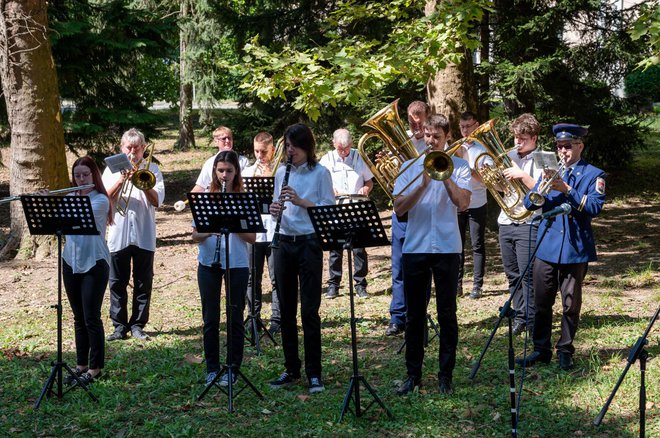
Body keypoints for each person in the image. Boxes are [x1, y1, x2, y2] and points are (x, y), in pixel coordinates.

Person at [393, 115, 471, 395]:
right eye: (427, 135)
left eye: (436, 137)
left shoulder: (460, 166)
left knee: (447, 314)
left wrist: (444, 176)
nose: (430, 140)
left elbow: (463, 203)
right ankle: (413, 375)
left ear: (447, 137)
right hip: (415, 248)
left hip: (448, 248)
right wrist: (423, 184)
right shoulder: (408, 167)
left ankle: (445, 376)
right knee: (414, 315)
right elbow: (400, 207)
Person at [517, 123, 605, 371]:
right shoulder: (550, 171)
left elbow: (594, 207)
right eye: (559, 146)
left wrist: (567, 190)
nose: (563, 151)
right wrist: (541, 188)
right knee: (542, 301)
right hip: (546, 247)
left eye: (568, 146)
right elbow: (529, 204)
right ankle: (540, 349)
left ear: (580, 146)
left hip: (574, 249)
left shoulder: (593, 174)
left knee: (570, 303)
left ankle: (565, 349)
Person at [268, 123, 335, 394]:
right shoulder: (281, 172)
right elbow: (276, 208)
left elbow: (328, 210)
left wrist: (301, 201)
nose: (290, 149)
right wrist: (275, 209)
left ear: (307, 147)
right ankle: (291, 368)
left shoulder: (320, 173)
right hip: (283, 243)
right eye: (287, 144)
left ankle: (314, 373)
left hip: (309, 244)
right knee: (286, 310)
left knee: (309, 310)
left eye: (294, 144)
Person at [193, 151, 256, 387]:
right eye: (220, 170)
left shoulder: (244, 198)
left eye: (229, 171)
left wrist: (232, 223)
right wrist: (210, 229)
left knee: (235, 317)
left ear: (236, 172)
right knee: (210, 317)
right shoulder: (205, 199)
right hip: (209, 263)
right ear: (214, 172)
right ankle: (212, 368)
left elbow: (251, 237)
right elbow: (195, 235)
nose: (224, 175)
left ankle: (232, 368)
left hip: (237, 263)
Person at [102, 128, 165, 341]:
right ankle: (119, 327)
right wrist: (121, 180)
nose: (132, 152)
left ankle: (138, 324)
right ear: (121, 148)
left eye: (136, 148)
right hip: (118, 234)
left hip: (143, 235)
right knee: (116, 282)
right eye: (128, 148)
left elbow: (157, 201)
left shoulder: (153, 169)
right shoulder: (111, 170)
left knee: (143, 282)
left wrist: (140, 180)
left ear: (143, 149)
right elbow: (105, 198)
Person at [61, 156, 113, 386]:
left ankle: (95, 368)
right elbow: (60, 224)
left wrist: (62, 204)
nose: (80, 179)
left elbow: (81, 218)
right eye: (77, 175)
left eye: (85, 175)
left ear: (94, 176)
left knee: (91, 317)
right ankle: (80, 364)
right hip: (70, 260)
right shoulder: (70, 197)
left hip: (94, 262)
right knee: (77, 317)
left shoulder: (100, 200)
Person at [497, 114, 545, 336]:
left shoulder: (545, 158)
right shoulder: (507, 156)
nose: (517, 142)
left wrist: (521, 175)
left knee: (528, 274)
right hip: (506, 220)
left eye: (523, 138)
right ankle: (520, 315)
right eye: (516, 137)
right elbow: (499, 189)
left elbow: (543, 192)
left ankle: (533, 318)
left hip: (529, 221)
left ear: (534, 137)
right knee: (512, 273)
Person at [385, 100, 430, 336]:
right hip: (402, 211)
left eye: (419, 116)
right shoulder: (399, 143)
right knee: (399, 266)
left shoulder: (435, 143)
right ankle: (397, 316)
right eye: (411, 118)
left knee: (422, 266)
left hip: (424, 213)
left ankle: (418, 315)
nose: (415, 122)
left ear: (427, 116)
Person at [319, 128, 374, 299]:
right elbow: (319, 184)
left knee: (359, 248)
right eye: (340, 148)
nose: (343, 152)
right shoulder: (326, 160)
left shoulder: (359, 157)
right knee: (335, 249)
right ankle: (333, 285)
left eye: (346, 148)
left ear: (351, 144)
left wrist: (366, 188)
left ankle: (360, 284)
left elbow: (369, 181)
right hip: (335, 209)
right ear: (333, 144)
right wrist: (330, 190)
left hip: (356, 208)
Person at [241, 132, 281, 335]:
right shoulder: (247, 172)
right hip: (254, 230)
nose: (259, 155)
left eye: (263, 151)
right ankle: (253, 317)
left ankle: (277, 318)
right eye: (256, 151)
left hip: (274, 229)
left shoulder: (280, 171)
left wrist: (268, 174)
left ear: (272, 150)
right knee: (251, 277)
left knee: (276, 277)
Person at [455, 112, 488, 299]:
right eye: (462, 127)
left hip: (477, 201)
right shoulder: (455, 148)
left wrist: (469, 168)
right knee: (457, 244)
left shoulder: (483, 148)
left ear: (476, 125)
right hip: (458, 202)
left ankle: (477, 285)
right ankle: (457, 285)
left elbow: (487, 180)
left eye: (468, 126)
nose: (465, 130)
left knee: (477, 245)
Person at [192, 126, 250, 193]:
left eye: (229, 138)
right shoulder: (209, 162)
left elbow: (246, 186)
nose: (227, 141)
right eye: (224, 139)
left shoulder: (243, 161)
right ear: (216, 141)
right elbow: (200, 187)